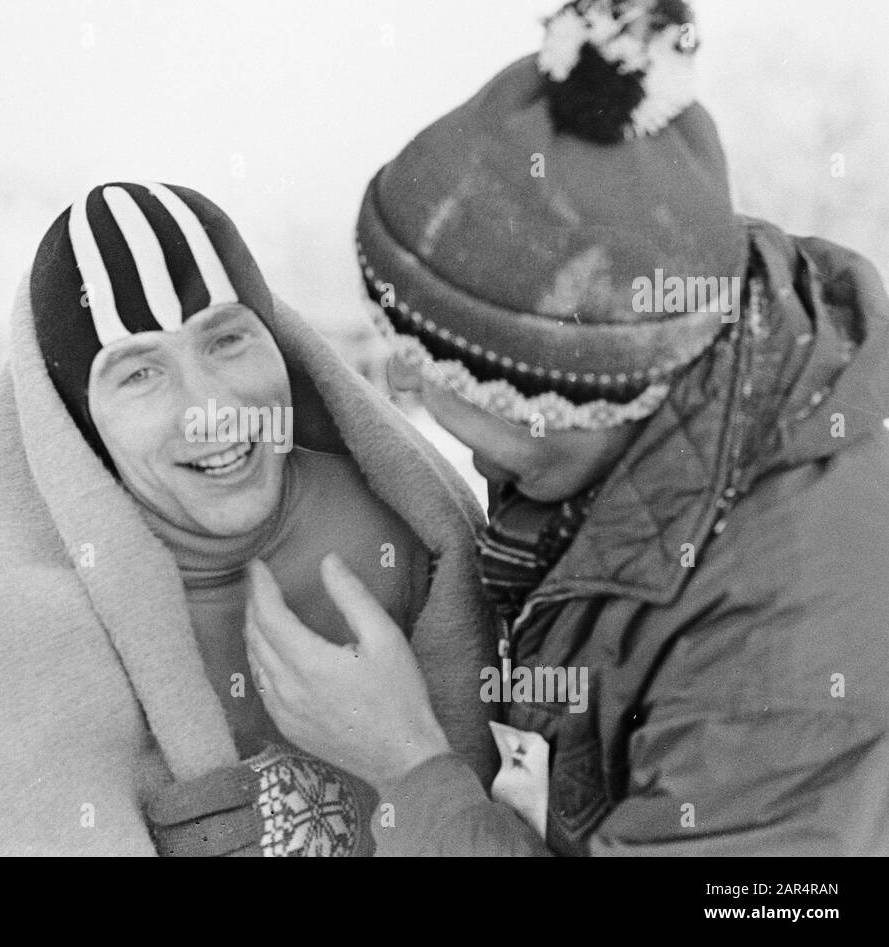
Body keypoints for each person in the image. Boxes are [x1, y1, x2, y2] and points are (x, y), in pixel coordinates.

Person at [244, 0, 889, 855]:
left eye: (441, 372)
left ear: (557, 402)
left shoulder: (789, 648)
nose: (403, 379)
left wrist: (405, 763)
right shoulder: (656, 326)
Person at [0, 181, 498, 855]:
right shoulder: (11, 612)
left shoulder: (397, 531)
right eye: (138, 374)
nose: (211, 407)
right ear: (79, 424)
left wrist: (337, 811)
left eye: (227, 340)